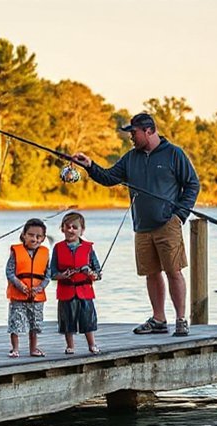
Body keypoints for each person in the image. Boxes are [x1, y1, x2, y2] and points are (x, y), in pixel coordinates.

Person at [72, 112, 200, 337]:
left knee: (174, 271)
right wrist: (90, 166)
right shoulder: (131, 158)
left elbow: (192, 185)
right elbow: (109, 177)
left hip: (168, 224)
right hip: (142, 226)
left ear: (149, 131)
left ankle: (181, 320)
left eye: (134, 132)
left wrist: (179, 215)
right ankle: (159, 319)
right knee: (151, 273)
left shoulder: (173, 154)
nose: (131, 137)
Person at [50, 211, 102, 354]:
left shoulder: (88, 248)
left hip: (84, 291)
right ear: (62, 229)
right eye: (67, 227)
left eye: (74, 227)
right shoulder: (58, 248)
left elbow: (98, 272)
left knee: (88, 320)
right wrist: (62, 275)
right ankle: (70, 346)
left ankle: (92, 345)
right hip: (66, 291)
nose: (70, 230)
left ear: (82, 230)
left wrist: (92, 274)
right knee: (67, 320)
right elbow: (52, 273)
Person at [6, 218, 50, 358]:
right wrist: (21, 286)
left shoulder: (45, 253)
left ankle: (33, 348)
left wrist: (40, 288)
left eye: (38, 236)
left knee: (35, 324)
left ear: (43, 238)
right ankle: (15, 349)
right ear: (24, 235)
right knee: (16, 322)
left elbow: (48, 275)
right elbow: (9, 272)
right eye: (31, 235)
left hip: (37, 295)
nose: (34, 239)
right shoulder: (16, 252)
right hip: (19, 294)